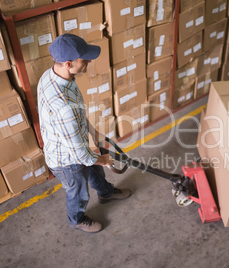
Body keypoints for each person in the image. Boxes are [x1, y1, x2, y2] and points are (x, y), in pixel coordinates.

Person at [37, 33, 131, 233]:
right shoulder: (63, 105)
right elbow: (81, 156)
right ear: (69, 63)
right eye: (84, 58)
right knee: (78, 192)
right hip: (66, 160)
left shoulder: (54, 75)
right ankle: (77, 219)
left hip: (74, 142)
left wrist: (93, 133)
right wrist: (103, 160)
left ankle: (105, 193)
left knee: (94, 169)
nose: (89, 60)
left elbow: (76, 115)